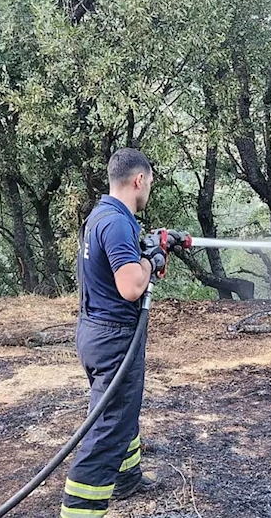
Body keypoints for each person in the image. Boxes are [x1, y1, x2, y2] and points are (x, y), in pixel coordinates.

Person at [61, 148, 165, 518]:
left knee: (121, 411)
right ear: (138, 180)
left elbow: (115, 264)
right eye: (148, 184)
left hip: (95, 332)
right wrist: (152, 260)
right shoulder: (119, 223)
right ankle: (78, 512)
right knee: (107, 429)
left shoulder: (100, 216)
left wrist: (153, 247)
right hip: (114, 339)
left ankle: (127, 478)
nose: (148, 190)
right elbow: (131, 287)